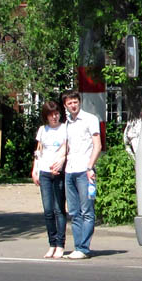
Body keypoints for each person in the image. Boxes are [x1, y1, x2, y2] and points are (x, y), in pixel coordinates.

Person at [62, 90, 102, 260]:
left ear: (79, 102)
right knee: (73, 211)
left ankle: (84, 248)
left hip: (84, 171)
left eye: (75, 102)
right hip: (69, 170)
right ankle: (78, 247)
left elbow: (97, 145)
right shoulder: (67, 123)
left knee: (87, 211)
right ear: (65, 105)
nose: (73, 105)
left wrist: (90, 167)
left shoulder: (90, 119)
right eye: (69, 103)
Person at [31, 99, 68, 259]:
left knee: (59, 209)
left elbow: (66, 148)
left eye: (56, 114)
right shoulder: (42, 130)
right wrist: (35, 169)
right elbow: (39, 151)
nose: (54, 117)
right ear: (46, 116)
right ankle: (51, 243)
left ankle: (60, 244)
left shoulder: (64, 129)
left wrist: (60, 162)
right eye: (51, 115)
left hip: (58, 172)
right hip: (45, 172)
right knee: (47, 210)